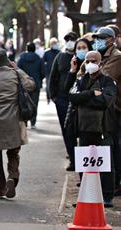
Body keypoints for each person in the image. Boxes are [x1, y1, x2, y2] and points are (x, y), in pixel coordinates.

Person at [0, 48, 35, 199]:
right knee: (13, 152)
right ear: (7, 60)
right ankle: (12, 177)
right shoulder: (15, 75)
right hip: (14, 119)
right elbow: (31, 85)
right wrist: (17, 69)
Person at [66, 50, 117, 207]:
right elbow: (73, 97)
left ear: (100, 63)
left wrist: (84, 99)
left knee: (106, 164)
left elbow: (105, 101)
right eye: (87, 61)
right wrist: (91, 94)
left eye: (93, 60)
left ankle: (107, 197)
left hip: (102, 128)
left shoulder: (108, 81)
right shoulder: (81, 80)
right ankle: (86, 195)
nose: (90, 64)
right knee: (85, 164)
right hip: (83, 128)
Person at [91, 27, 121, 196]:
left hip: (116, 107)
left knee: (115, 146)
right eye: (97, 38)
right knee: (110, 146)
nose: (98, 41)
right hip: (107, 108)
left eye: (102, 38)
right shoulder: (100, 56)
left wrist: (91, 66)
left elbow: (101, 77)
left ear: (111, 39)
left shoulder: (116, 57)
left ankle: (115, 184)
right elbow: (84, 77)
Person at [47, 32, 79, 170]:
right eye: (67, 40)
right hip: (62, 99)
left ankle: (81, 158)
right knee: (67, 130)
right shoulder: (60, 57)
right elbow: (53, 76)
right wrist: (53, 96)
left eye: (72, 39)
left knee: (81, 130)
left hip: (80, 98)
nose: (70, 42)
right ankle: (73, 159)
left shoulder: (83, 57)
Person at [17, 42, 44, 128]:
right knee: (34, 103)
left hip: (23, 84)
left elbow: (17, 70)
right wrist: (39, 79)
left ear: (27, 48)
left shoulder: (21, 58)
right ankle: (33, 122)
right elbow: (43, 72)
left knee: (23, 102)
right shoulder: (39, 59)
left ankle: (25, 121)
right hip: (36, 83)